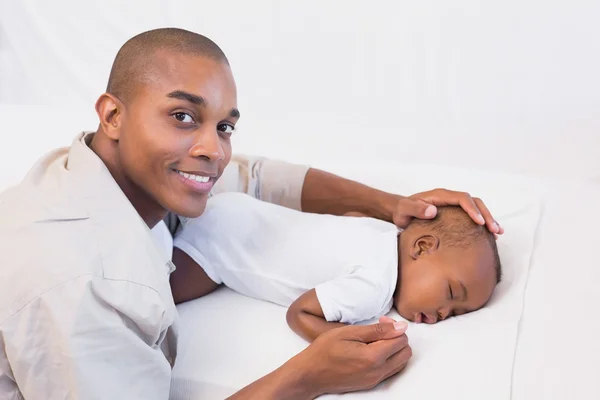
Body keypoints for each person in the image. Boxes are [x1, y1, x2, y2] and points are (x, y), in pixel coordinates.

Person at [0, 28, 502, 399]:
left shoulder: (104, 170)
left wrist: (395, 206)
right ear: (112, 114)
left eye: (224, 127)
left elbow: (256, 176)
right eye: (182, 116)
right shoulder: (85, 288)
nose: (213, 150)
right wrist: (307, 376)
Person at [172, 192, 502, 342]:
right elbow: (299, 314)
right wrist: (354, 338)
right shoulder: (374, 287)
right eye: (450, 293)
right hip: (214, 248)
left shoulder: (384, 230)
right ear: (423, 246)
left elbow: (348, 220)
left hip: (233, 206)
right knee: (152, 293)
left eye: (457, 313)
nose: (445, 312)